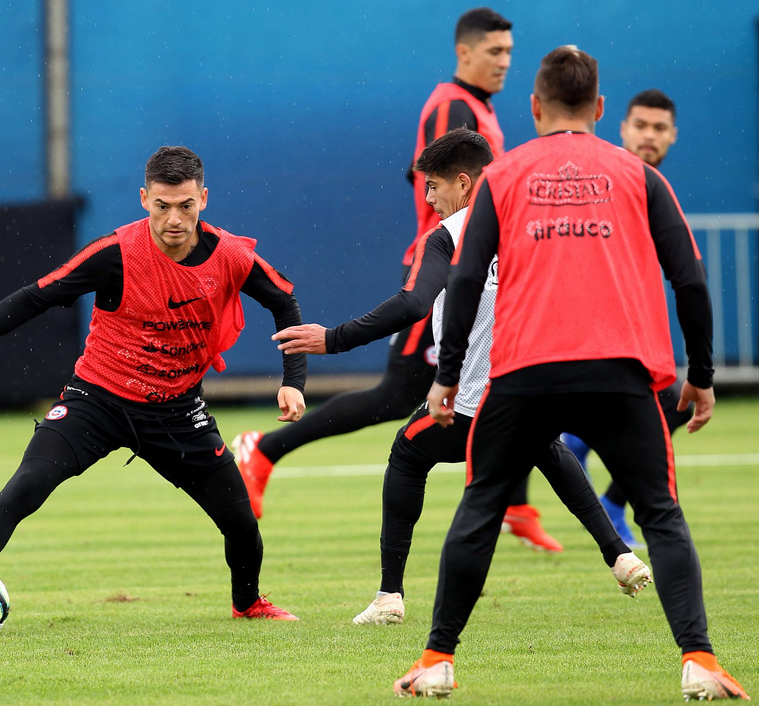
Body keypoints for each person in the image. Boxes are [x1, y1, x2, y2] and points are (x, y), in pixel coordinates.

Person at [393, 48, 749, 700]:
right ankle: (698, 660)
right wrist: (701, 372)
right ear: (602, 110)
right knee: (662, 515)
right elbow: (690, 281)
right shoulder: (637, 175)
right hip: (621, 371)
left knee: (480, 504)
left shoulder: (503, 177)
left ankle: (437, 658)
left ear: (534, 108)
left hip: (525, 371)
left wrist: (445, 377)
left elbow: (467, 279)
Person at [0, 146, 306, 627]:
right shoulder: (115, 253)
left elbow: (285, 302)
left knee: (240, 520)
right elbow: (35, 297)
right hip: (97, 399)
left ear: (203, 198)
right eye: (162, 206)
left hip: (177, 412)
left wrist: (293, 381)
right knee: (27, 485)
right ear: (143, 199)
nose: (173, 219)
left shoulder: (233, 256)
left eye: (185, 205)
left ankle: (248, 604)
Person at [274, 128, 651, 626]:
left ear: (465, 183)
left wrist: (334, 338)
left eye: (434, 187)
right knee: (544, 446)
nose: (429, 199)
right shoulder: (535, 224)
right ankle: (620, 556)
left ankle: (390, 595)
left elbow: (412, 302)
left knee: (407, 453)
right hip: (537, 389)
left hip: (471, 404)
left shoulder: (450, 235)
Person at [234, 8, 561, 554]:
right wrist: (449, 261)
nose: (505, 62)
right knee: (398, 396)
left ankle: (518, 503)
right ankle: (263, 449)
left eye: (509, 52)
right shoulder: (453, 106)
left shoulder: (479, 107)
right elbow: (428, 179)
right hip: (445, 274)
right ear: (465, 52)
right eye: (495, 52)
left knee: (493, 379)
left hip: (473, 273)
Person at [561, 88, 686, 549]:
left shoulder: (651, 185)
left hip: (627, 337)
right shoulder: (603, 176)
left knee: (674, 404)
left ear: (672, 135)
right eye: (641, 125)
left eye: (658, 128)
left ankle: (600, 482)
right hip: (584, 335)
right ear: (622, 128)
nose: (649, 135)